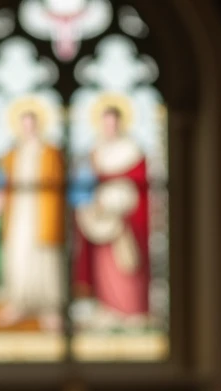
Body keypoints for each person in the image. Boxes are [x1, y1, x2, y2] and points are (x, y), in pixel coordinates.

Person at [73, 104, 151, 323]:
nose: (109, 127)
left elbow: (139, 181)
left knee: (127, 262)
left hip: (125, 216)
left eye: (113, 122)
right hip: (100, 218)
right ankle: (108, 307)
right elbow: (84, 183)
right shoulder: (95, 150)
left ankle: (132, 309)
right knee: (104, 264)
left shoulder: (131, 149)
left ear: (120, 123)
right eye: (105, 123)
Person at [0, 107, 67, 331]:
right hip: (19, 213)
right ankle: (18, 304)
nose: (28, 129)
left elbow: (59, 184)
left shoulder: (50, 151)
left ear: (38, 125)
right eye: (24, 124)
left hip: (43, 212)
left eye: (31, 124)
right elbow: (1, 181)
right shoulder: (12, 154)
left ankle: (50, 309)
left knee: (45, 259)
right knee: (19, 256)